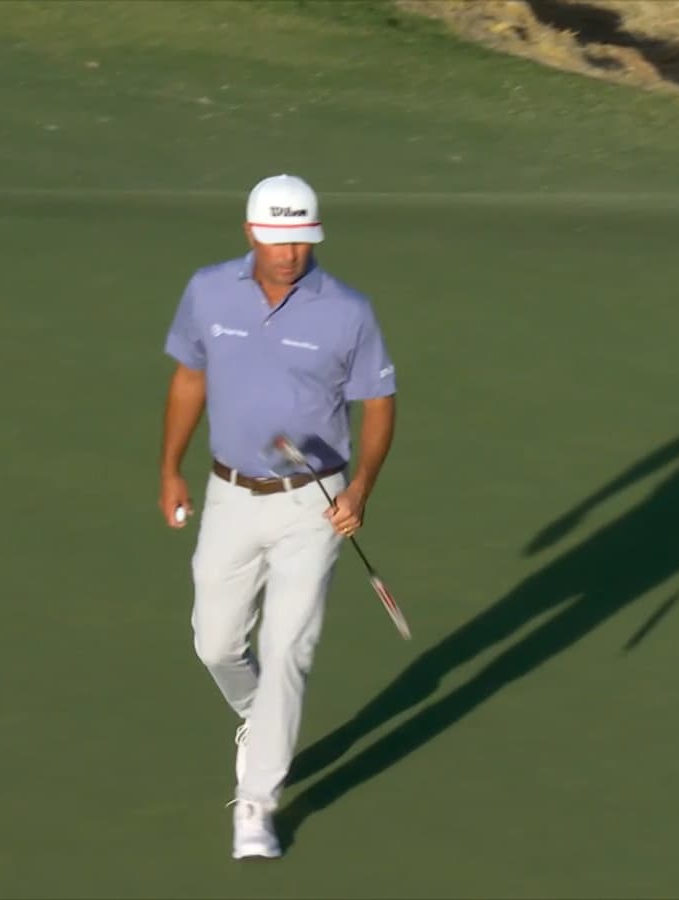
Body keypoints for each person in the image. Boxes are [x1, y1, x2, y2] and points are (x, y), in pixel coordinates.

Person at [157, 173, 398, 859]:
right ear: (251, 233)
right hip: (229, 495)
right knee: (214, 642)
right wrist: (170, 469)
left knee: (288, 648)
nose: (289, 252)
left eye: (301, 239)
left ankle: (257, 804)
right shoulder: (208, 291)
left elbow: (378, 404)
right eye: (277, 238)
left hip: (312, 505)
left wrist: (362, 491)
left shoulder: (348, 311)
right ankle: (257, 719)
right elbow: (189, 377)